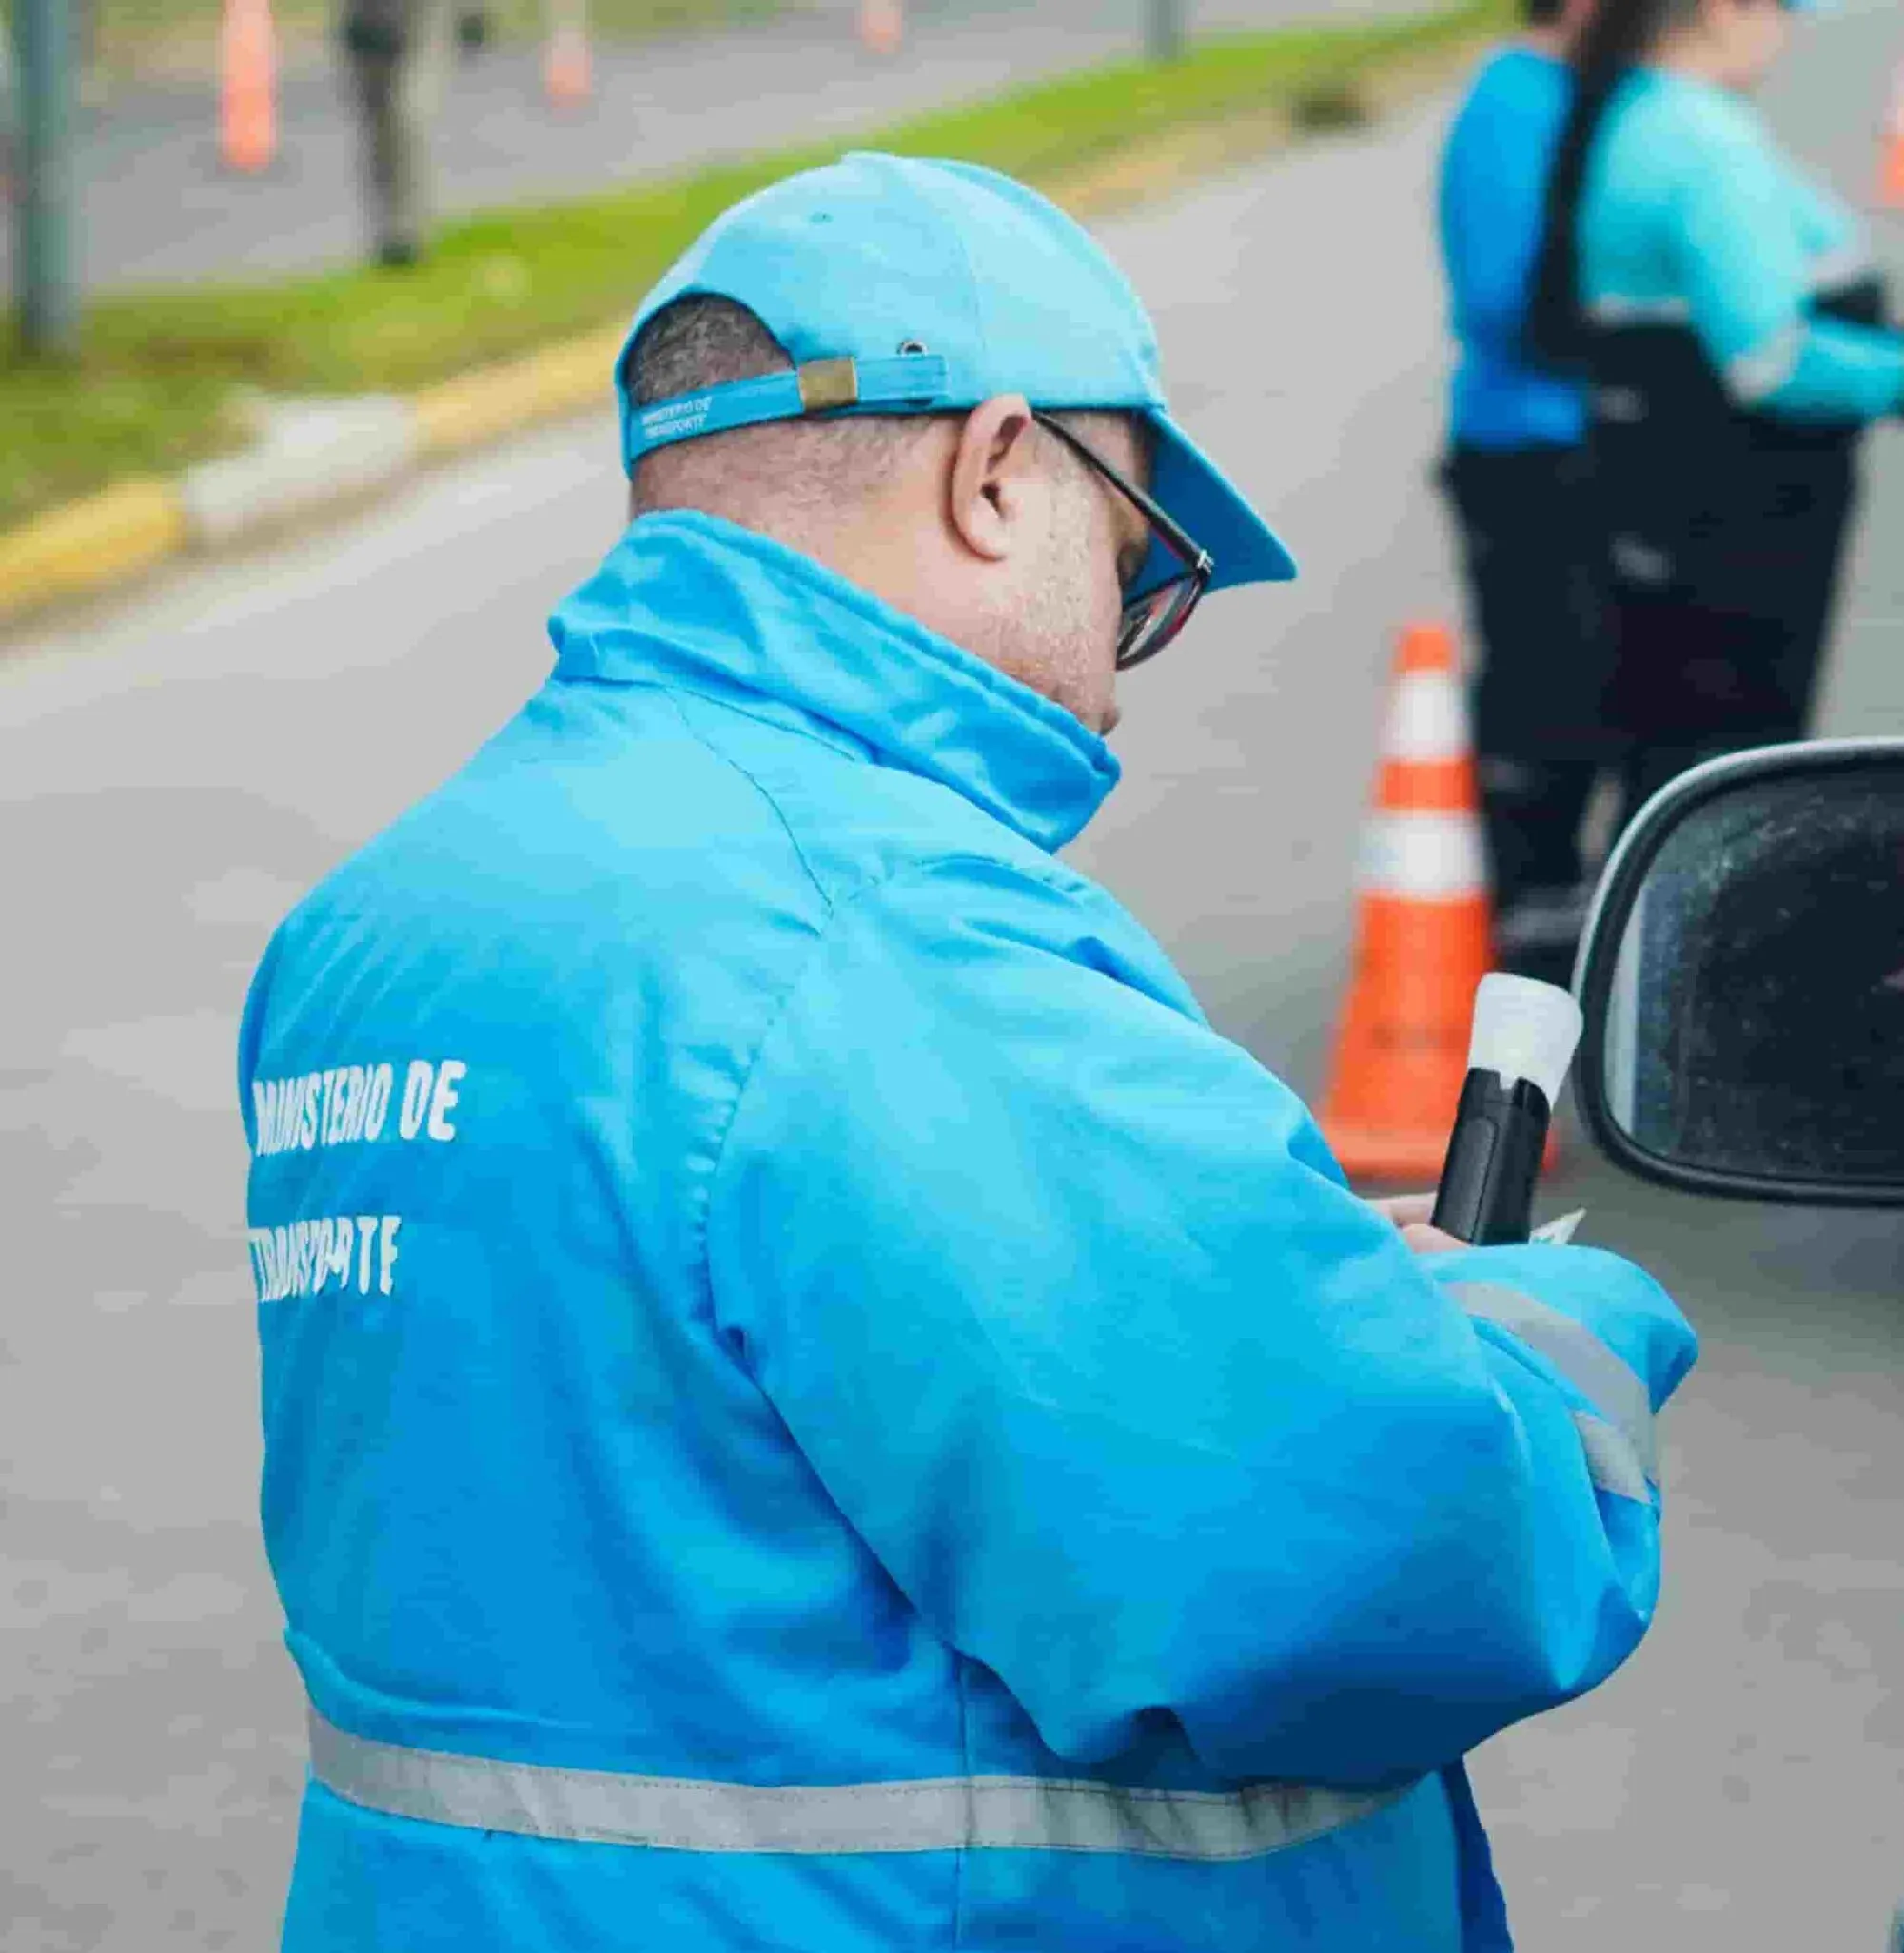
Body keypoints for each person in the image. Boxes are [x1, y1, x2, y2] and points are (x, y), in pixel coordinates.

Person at [237, 152, 1698, 1953]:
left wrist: (1261, 1294)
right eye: (1145, 566)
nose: (1122, 661)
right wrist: (1537, 1335)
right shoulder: (884, 936)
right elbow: (1368, 1565)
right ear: (999, 469)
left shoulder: (380, 921)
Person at [1529, 0, 1904, 813]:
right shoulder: (1705, 144)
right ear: (1725, 8)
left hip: (1661, 496)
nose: (1791, 31)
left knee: (1670, 752)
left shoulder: (1632, 115)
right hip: (1742, 524)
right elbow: (1769, 359)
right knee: (1739, 769)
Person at [1435, 0, 1614, 986]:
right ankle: (1532, 905)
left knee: (1581, 676)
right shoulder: (1519, 100)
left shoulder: (1566, 93)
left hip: (1571, 442)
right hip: (1526, 448)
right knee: (1544, 683)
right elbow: (1505, 300)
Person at [337, 0, 450, 265]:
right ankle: (387, 229)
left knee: (407, 110)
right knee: (378, 121)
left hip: (419, 15)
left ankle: (406, 231)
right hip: (367, 13)